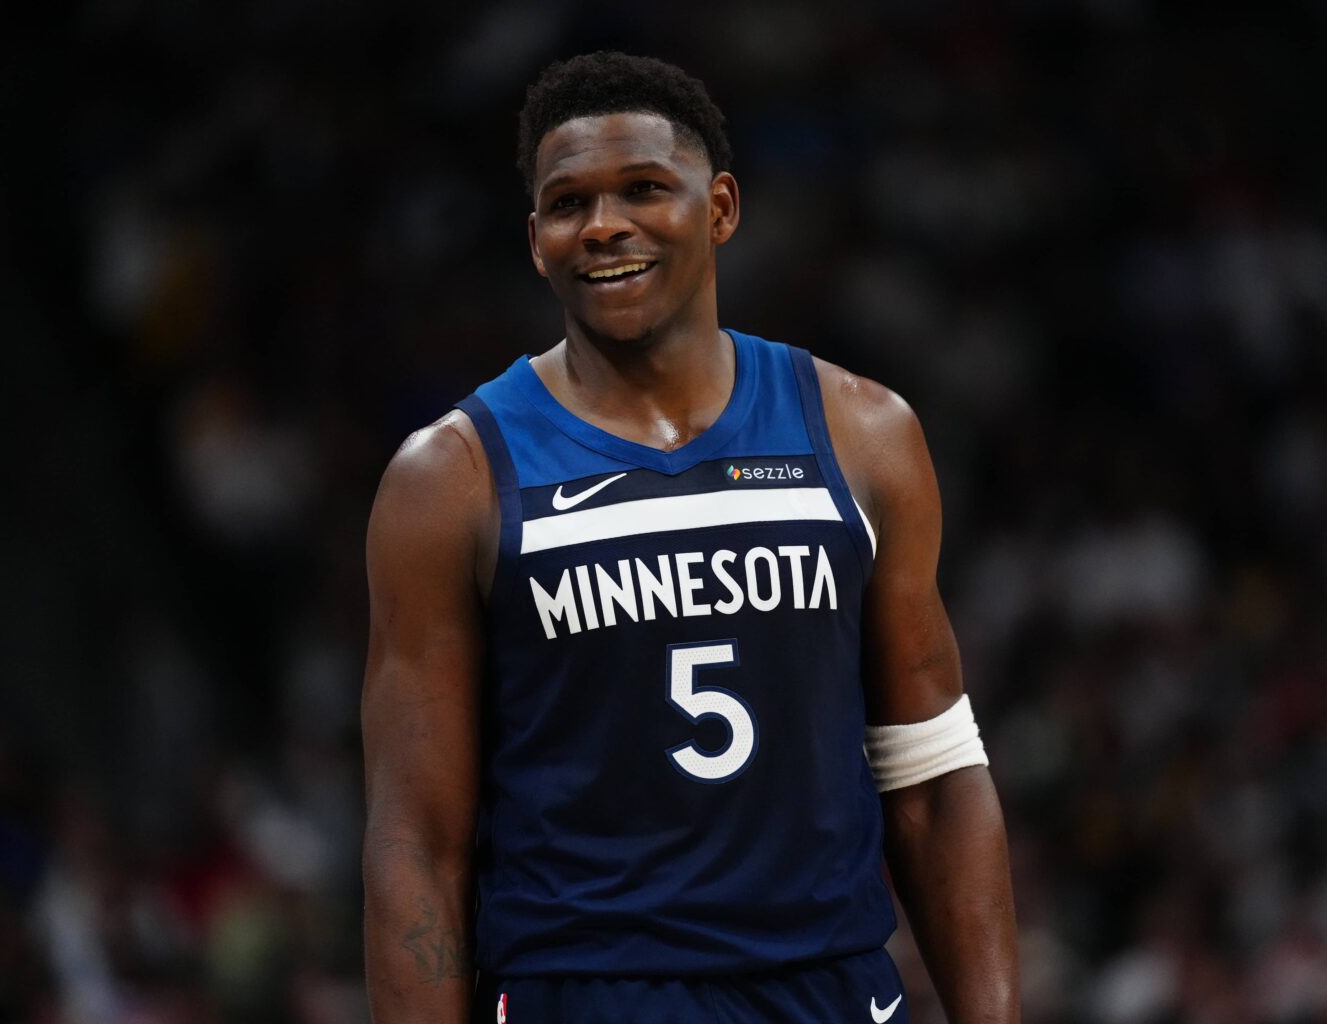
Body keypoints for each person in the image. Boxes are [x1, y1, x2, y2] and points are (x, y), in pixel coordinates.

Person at [361, 51, 1019, 1024]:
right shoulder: (447, 479)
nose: (604, 226)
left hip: (828, 987)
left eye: (642, 189)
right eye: (567, 202)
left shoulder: (866, 433)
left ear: (720, 208)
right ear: (536, 238)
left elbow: (932, 775)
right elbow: (417, 838)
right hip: (586, 993)